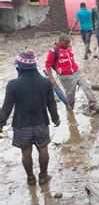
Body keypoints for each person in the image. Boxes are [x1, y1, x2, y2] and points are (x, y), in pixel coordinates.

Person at [0, 50, 60, 186]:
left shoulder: (13, 85)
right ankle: (43, 176)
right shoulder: (46, 83)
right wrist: (56, 118)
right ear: (34, 66)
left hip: (22, 125)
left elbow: (6, 108)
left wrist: (1, 124)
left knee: (26, 153)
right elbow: (52, 103)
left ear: (18, 67)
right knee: (43, 149)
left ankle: (30, 178)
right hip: (41, 124)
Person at [45, 34, 99, 111]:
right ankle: (70, 111)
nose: (67, 45)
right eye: (66, 43)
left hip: (77, 72)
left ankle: (93, 104)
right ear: (60, 42)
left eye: (69, 43)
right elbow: (48, 65)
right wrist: (51, 78)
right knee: (70, 96)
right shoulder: (53, 51)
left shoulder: (68, 47)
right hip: (65, 76)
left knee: (87, 86)